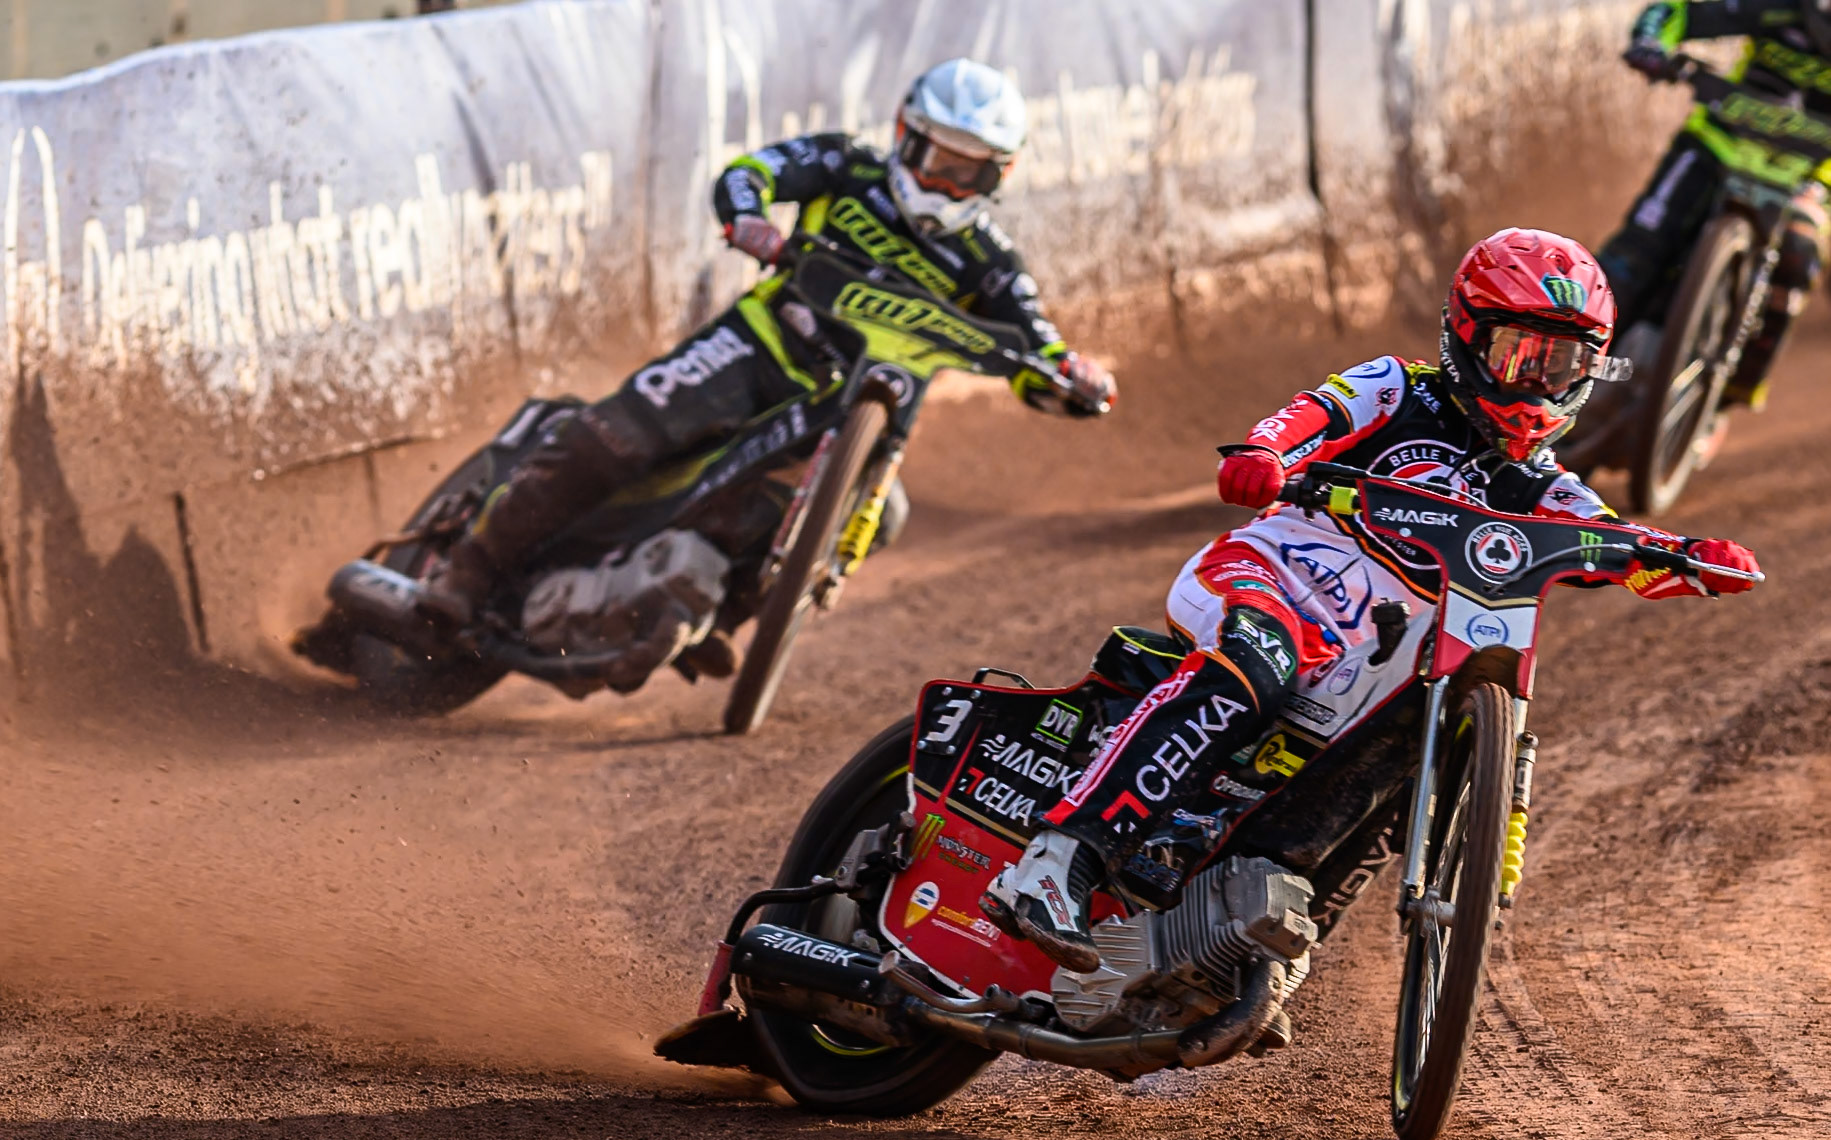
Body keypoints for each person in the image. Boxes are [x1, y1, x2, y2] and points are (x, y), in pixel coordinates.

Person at [981, 228, 1762, 974]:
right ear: (1463, 337)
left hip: (1365, 655)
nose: (1532, 383)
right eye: (1515, 354)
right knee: (1255, 663)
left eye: (1555, 365)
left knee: (1419, 730)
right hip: (1273, 576)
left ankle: (1263, 937)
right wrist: (1264, 453)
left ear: (1589, 372)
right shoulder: (1396, 387)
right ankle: (1055, 864)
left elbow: (1609, 541)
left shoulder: (1546, 487)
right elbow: (1312, 415)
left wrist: (1686, 558)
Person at [421, 58, 1116, 664]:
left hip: (858, 408)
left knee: (882, 517)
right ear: (907, 136)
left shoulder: (987, 259)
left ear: (999, 175)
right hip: (760, 345)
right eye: (939, 161)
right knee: (620, 432)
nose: (946, 183)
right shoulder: (847, 167)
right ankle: (468, 569)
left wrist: (1075, 374)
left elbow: (1036, 346)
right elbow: (753, 171)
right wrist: (749, 217)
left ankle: (716, 615)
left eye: (969, 171)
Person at [1599, 0, 1831, 409]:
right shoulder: (1779, 7)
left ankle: (1728, 395)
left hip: (1805, 176)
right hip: (1717, 146)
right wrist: (1651, 43)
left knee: (1797, 258)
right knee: (1629, 262)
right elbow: (1679, 13)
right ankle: (1556, 377)